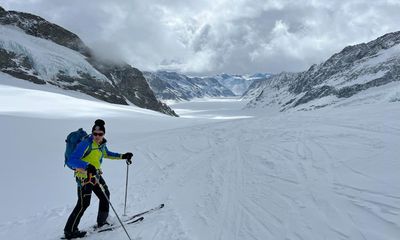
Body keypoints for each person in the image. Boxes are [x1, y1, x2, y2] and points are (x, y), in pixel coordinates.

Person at [63, 119, 133, 239]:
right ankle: (69, 231)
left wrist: (123, 156)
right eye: (95, 134)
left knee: (105, 195)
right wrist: (87, 165)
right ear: (92, 133)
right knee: (83, 204)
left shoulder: (101, 144)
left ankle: (102, 222)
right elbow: (72, 160)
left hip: (96, 175)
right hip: (84, 177)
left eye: (100, 134)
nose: (97, 136)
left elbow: (107, 154)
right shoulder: (85, 143)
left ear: (103, 134)